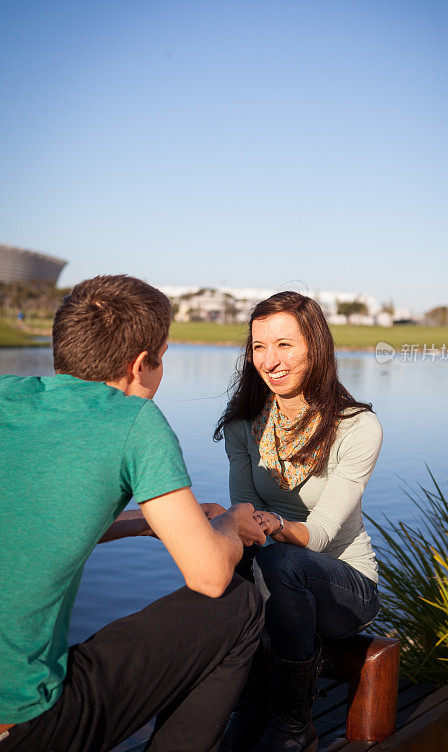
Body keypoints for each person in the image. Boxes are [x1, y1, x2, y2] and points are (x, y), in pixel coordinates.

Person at [0, 274, 266, 752]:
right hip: (21, 730)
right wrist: (231, 523)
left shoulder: (7, 395)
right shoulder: (134, 419)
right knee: (238, 605)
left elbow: (32, 520)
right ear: (142, 364)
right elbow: (208, 576)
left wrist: (147, 524)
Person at [214, 291, 383, 752]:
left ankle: (293, 723)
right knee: (221, 560)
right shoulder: (242, 424)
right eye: (259, 347)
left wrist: (269, 524)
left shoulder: (357, 427)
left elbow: (322, 533)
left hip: (344, 587)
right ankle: (245, 709)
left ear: (316, 346)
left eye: (284, 344)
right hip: (275, 576)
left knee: (283, 562)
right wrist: (225, 524)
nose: (270, 360)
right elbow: (243, 513)